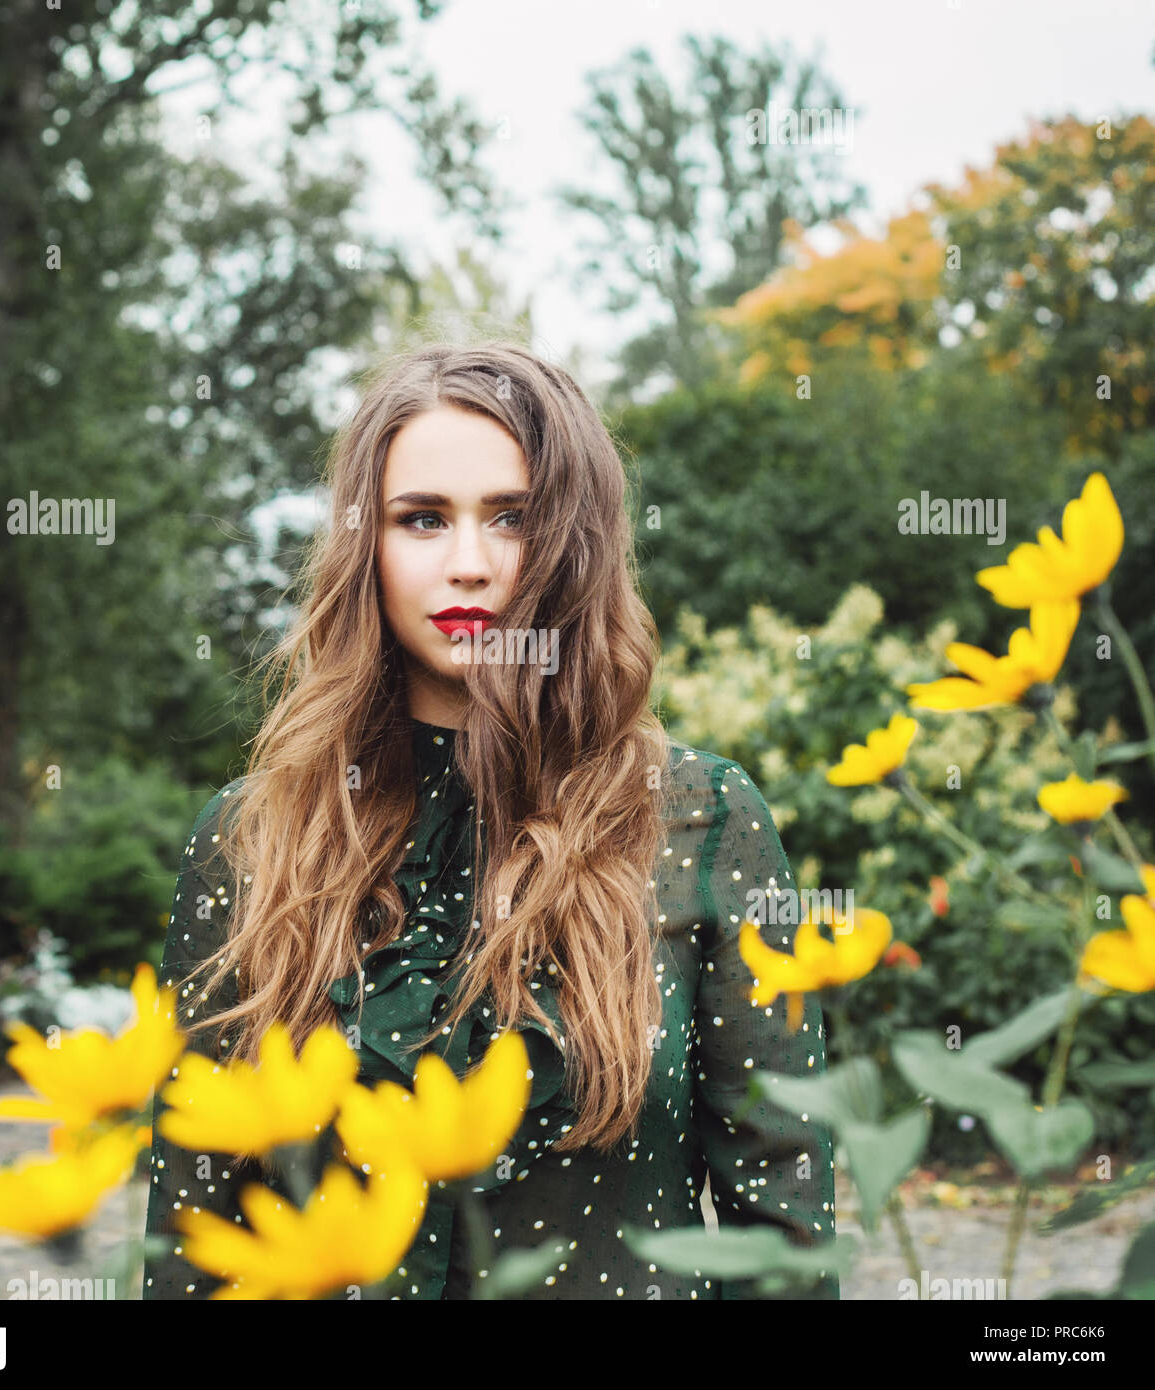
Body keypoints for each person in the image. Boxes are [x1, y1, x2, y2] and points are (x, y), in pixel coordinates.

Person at [142, 339, 838, 1301]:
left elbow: (786, 1234)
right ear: (365, 545)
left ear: (572, 543)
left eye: (511, 519)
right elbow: (192, 1238)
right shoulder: (254, 839)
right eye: (421, 520)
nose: (467, 564)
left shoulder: (699, 816)